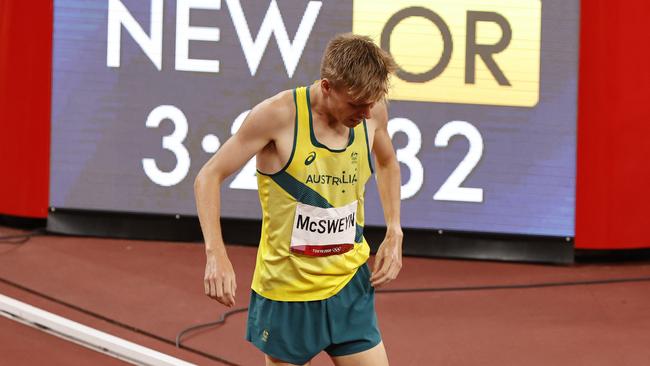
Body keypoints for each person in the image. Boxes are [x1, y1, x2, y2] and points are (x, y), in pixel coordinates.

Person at [194, 33, 403, 366]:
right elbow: (208, 177)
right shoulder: (277, 116)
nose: (366, 112)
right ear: (327, 86)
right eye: (355, 104)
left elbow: (388, 161)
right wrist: (215, 253)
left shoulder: (373, 110)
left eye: (371, 103)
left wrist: (394, 229)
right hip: (287, 293)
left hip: (348, 284)